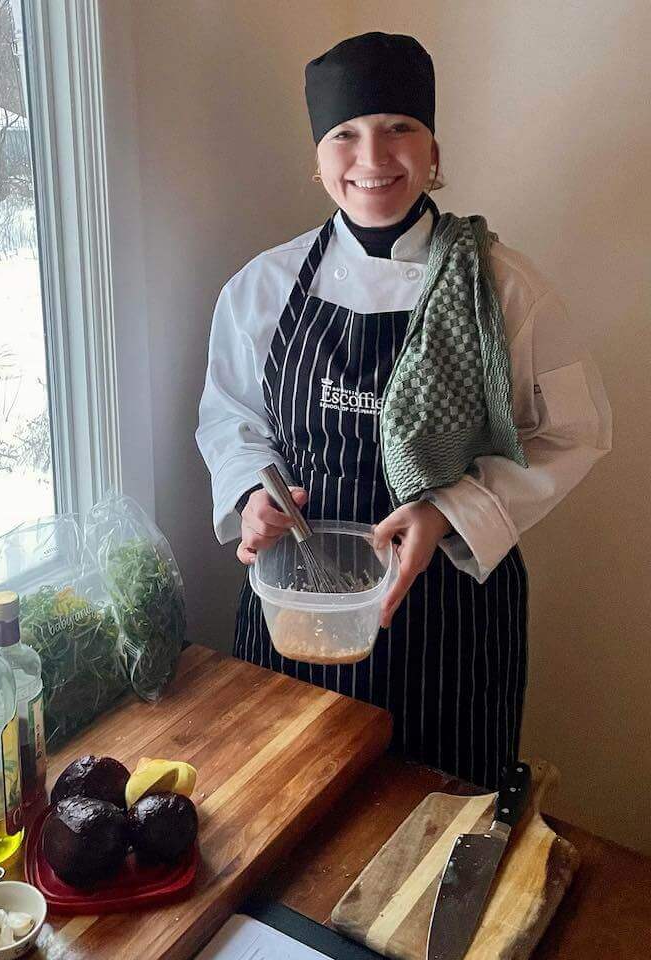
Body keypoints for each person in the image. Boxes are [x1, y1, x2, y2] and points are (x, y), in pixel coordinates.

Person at [196, 32, 611, 789]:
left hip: (446, 622)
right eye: (345, 135)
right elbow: (230, 417)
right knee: (283, 811)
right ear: (318, 157)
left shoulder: (503, 289)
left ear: (434, 148)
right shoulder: (261, 288)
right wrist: (252, 495)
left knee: (433, 840)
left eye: (399, 128)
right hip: (296, 605)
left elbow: (578, 431)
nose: (372, 156)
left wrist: (450, 511)